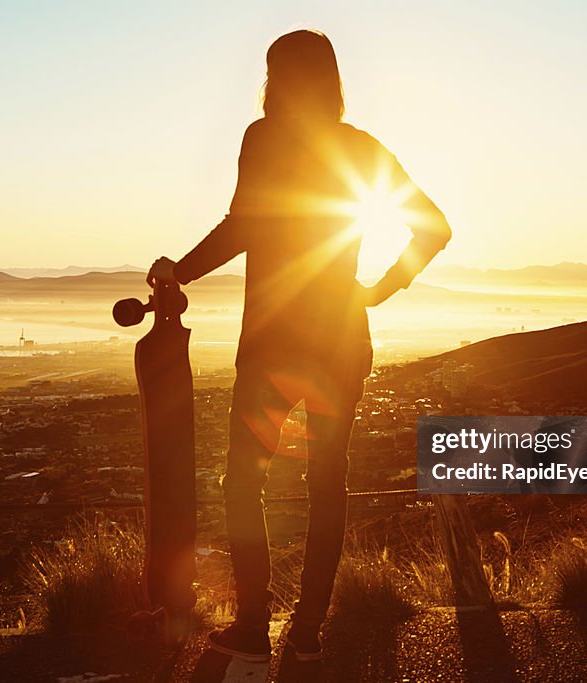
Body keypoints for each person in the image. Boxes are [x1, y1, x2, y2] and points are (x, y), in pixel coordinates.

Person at [148, 29, 451, 662]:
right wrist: (376, 292)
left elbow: (243, 227)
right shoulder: (360, 149)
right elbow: (434, 226)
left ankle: (254, 625)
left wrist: (181, 270)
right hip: (341, 340)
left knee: (243, 484)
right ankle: (308, 631)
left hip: (273, 343)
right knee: (327, 485)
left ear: (276, 78)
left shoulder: (263, 140)